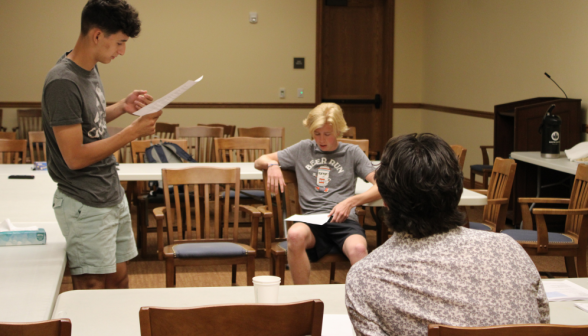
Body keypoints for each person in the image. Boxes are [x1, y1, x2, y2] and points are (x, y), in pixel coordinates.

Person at [345, 133, 549, 336]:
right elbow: (544, 323)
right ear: (458, 190)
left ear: (386, 201)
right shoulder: (509, 249)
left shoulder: (366, 277)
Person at [42, 0, 162, 290]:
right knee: (92, 285)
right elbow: (74, 157)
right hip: (84, 200)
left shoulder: (90, 70)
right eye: (119, 43)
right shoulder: (62, 82)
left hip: (109, 192)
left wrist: (122, 106)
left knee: (119, 279)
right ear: (97, 35)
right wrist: (131, 132)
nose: (122, 51)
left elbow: (89, 121)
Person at [254, 103, 380, 284]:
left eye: (327, 134)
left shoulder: (352, 153)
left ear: (338, 131)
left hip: (343, 220)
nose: (321, 139)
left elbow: (382, 185)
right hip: (312, 220)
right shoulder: (303, 149)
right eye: (317, 133)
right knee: (295, 235)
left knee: (359, 249)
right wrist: (273, 165)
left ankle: (362, 304)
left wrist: (351, 202)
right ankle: (303, 297)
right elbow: (260, 160)